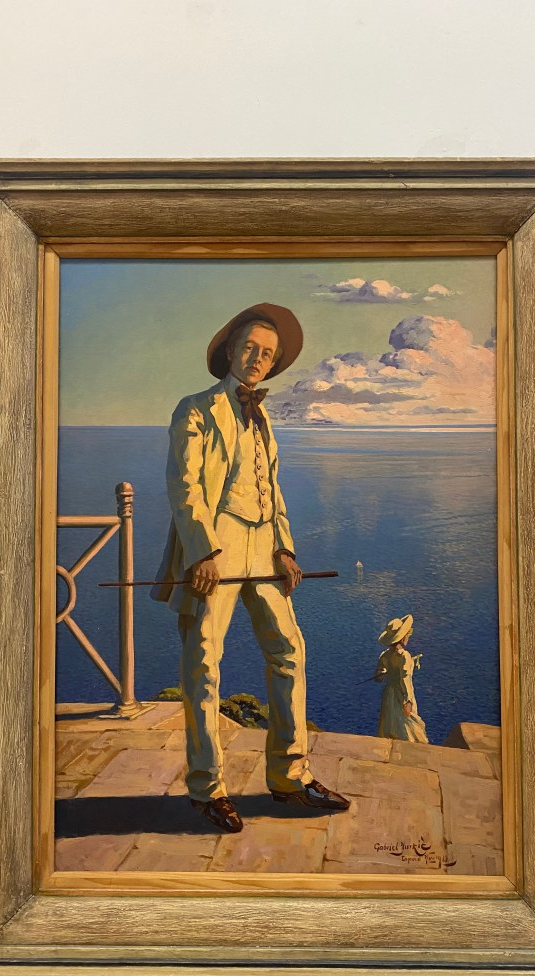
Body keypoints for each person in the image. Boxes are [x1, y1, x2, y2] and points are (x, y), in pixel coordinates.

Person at [151, 302, 350, 833]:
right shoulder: (195, 409)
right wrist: (202, 551)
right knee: (203, 664)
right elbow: (185, 486)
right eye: (250, 349)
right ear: (230, 352)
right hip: (216, 545)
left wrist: (284, 549)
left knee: (289, 651)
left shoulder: (263, 418)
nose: (259, 359)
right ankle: (206, 788)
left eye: (268, 353)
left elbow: (272, 489)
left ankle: (290, 777)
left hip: (263, 543)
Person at [374, 615, 429, 743]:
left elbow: (378, 677)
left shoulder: (385, 655)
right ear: (403, 637)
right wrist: (408, 700)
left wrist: (382, 673)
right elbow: (405, 679)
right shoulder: (405, 656)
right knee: (408, 727)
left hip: (389, 694)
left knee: (390, 724)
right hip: (401, 693)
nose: (408, 638)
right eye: (407, 635)